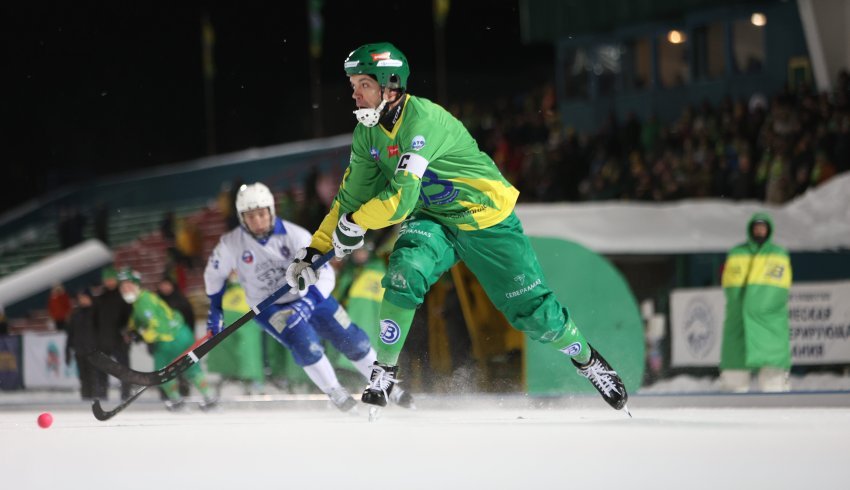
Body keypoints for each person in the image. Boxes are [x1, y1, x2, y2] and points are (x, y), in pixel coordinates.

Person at [285, 42, 628, 412]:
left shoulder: (423, 122)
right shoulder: (367, 135)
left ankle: (588, 360)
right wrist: (315, 251)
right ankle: (383, 371)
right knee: (405, 272)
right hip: (434, 219)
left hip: (486, 218)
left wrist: (356, 225)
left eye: (363, 84)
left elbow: (399, 199)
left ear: (391, 85)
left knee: (537, 317)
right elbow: (348, 200)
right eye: (353, 84)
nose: (354, 94)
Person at [204, 182, 413, 412]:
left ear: (271, 211)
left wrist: (308, 302)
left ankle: (386, 385)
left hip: (311, 297)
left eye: (261, 213)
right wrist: (215, 308)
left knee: (353, 339)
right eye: (249, 216)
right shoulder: (231, 244)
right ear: (241, 218)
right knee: (305, 344)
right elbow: (214, 275)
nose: (256, 221)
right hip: (271, 308)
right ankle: (337, 393)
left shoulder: (296, 236)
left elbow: (326, 274)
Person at [117, 267, 217, 411]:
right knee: (192, 370)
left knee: (162, 372)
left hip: (169, 339)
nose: (125, 290)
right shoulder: (143, 299)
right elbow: (137, 321)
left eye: (128, 286)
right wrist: (132, 330)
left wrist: (139, 334)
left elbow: (155, 325)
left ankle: (176, 400)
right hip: (182, 334)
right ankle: (209, 397)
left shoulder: (144, 301)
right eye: (123, 287)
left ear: (136, 285)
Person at [719, 212, 792, 392]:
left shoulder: (779, 254)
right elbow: (729, 286)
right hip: (738, 322)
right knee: (734, 378)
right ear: (751, 229)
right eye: (757, 227)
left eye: (763, 227)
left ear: (768, 230)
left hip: (771, 323)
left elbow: (779, 290)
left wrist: (761, 306)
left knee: (773, 381)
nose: (760, 230)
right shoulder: (737, 253)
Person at [93, 266, 133, 400]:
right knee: (101, 369)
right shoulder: (99, 299)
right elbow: (94, 320)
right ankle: (101, 394)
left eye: (112, 279)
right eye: (107, 279)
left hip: (119, 339)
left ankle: (126, 395)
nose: (109, 282)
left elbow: (130, 318)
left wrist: (127, 332)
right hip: (102, 340)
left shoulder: (123, 297)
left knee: (123, 369)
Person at [65, 288, 102, 400]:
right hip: (80, 351)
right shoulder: (75, 314)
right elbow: (71, 334)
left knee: (94, 376)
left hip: (94, 351)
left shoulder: (97, 313)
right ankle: (85, 399)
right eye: (80, 298)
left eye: (84, 297)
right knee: (83, 377)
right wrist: (67, 350)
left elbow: (102, 331)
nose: (82, 300)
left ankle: (96, 400)